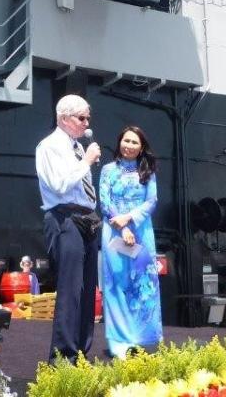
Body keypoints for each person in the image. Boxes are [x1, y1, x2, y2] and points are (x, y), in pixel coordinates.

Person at [36, 94, 101, 363]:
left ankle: (81, 352)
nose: (87, 124)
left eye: (88, 118)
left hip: (87, 219)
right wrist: (85, 162)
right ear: (64, 118)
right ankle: (62, 356)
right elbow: (60, 185)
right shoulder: (49, 146)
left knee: (87, 288)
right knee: (71, 287)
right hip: (64, 218)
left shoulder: (75, 147)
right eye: (81, 118)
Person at [100, 125, 162, 357]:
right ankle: (120, 342)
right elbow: (105, 203)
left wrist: (130, 218)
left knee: (143, 284)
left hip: (142, 234)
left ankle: (142, 339)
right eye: (126, 141)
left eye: (135, 142)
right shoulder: (108, 170)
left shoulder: (148, 172)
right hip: (115, 233)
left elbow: (152, 202)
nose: (129, 146)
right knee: (116, 284)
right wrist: (123, 226)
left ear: (142, 147)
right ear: (119, 143)